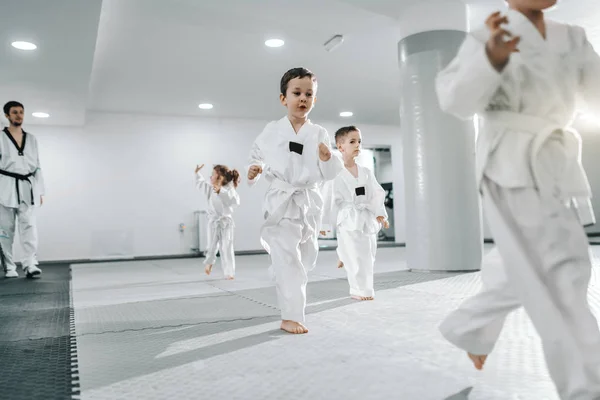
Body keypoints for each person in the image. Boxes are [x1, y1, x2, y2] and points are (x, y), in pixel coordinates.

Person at [435, 1, 600, 398]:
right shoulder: (487, 33)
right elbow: (455, 101)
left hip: (554, 162)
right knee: (562, 275)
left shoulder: (572, 36)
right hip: (510, 162)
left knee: (523, 263)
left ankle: (470, 327)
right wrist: (490, 57)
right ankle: (585, 387)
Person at [247, 67, 343, 334]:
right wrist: (254, 168)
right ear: (283, 99)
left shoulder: (320, 133)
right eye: (297, 93)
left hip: (309, 201)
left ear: (315, 100)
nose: (303, 98)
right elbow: (257, 155)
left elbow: (331, 171)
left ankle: (281, 272)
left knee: (306, 257)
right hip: (282, 199)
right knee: (289, 259)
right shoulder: (272, 130)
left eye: (308, 94)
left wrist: (327, 159)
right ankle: (291, 315)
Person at [321, 126, 388, 301]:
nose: (357, 144)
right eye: (352, 141)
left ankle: (343, 254)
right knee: (356, 257)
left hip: (366, 218)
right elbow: (328, 201)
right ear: (340, 146)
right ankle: (359, 289)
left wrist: (380, 214)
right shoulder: (335, 174)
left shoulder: (366, 172)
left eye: (359, 141)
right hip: (348, 218)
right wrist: (324, 226)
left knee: (368, 255)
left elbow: (376, 193)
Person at [1, 101, 45, 279]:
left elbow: (38, 166)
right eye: (14, 112)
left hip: (27, 186)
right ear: (7, 116)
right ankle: (10, 267)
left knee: (29, 227)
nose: (19, 115)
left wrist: (40, 190)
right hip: (5, 186)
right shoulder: (1, 137)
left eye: (21, 112)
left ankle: (30, 263)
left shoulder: (32, 139)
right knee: (6, 229)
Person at [195, 163, 240, 280]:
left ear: (220, 177)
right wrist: (197, 173)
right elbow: (200, 184)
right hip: (214, 222)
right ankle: (209, 262)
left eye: (212, 175)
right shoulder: (210, 188)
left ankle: (229, 272)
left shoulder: (229, 189)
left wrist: (221, 192)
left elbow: (234, 201)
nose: (210, 177)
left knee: (227, 247)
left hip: (226, 223)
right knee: (211, 245)